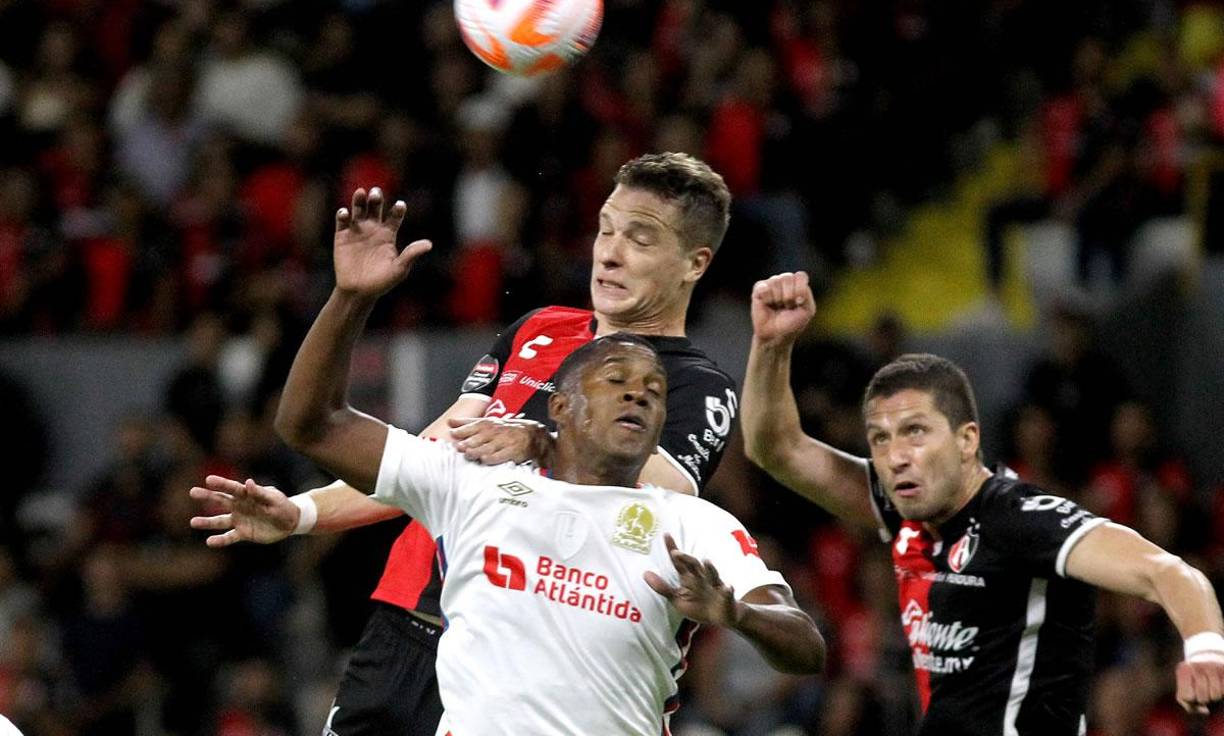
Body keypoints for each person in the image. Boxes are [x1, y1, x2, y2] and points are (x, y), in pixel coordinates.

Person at [206, 188, 825, 733]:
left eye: (639, 238)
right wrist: (302, 512)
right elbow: (429, 450)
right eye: (606, 229)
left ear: (695, 263)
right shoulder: (540, 328)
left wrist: (539, 439)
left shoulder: (695, 386)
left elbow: (641, 489)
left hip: (535, 647)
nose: (608, 253)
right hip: (407, 625)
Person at [741, 270, 1224, 736]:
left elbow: (1171, 573)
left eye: (915, 432)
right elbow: (775, 448)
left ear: (967, 440)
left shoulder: (1023, 520)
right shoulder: (902, 507)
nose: (896, 456)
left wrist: (1204, 652)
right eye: (881, 439)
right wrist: (771, 345)